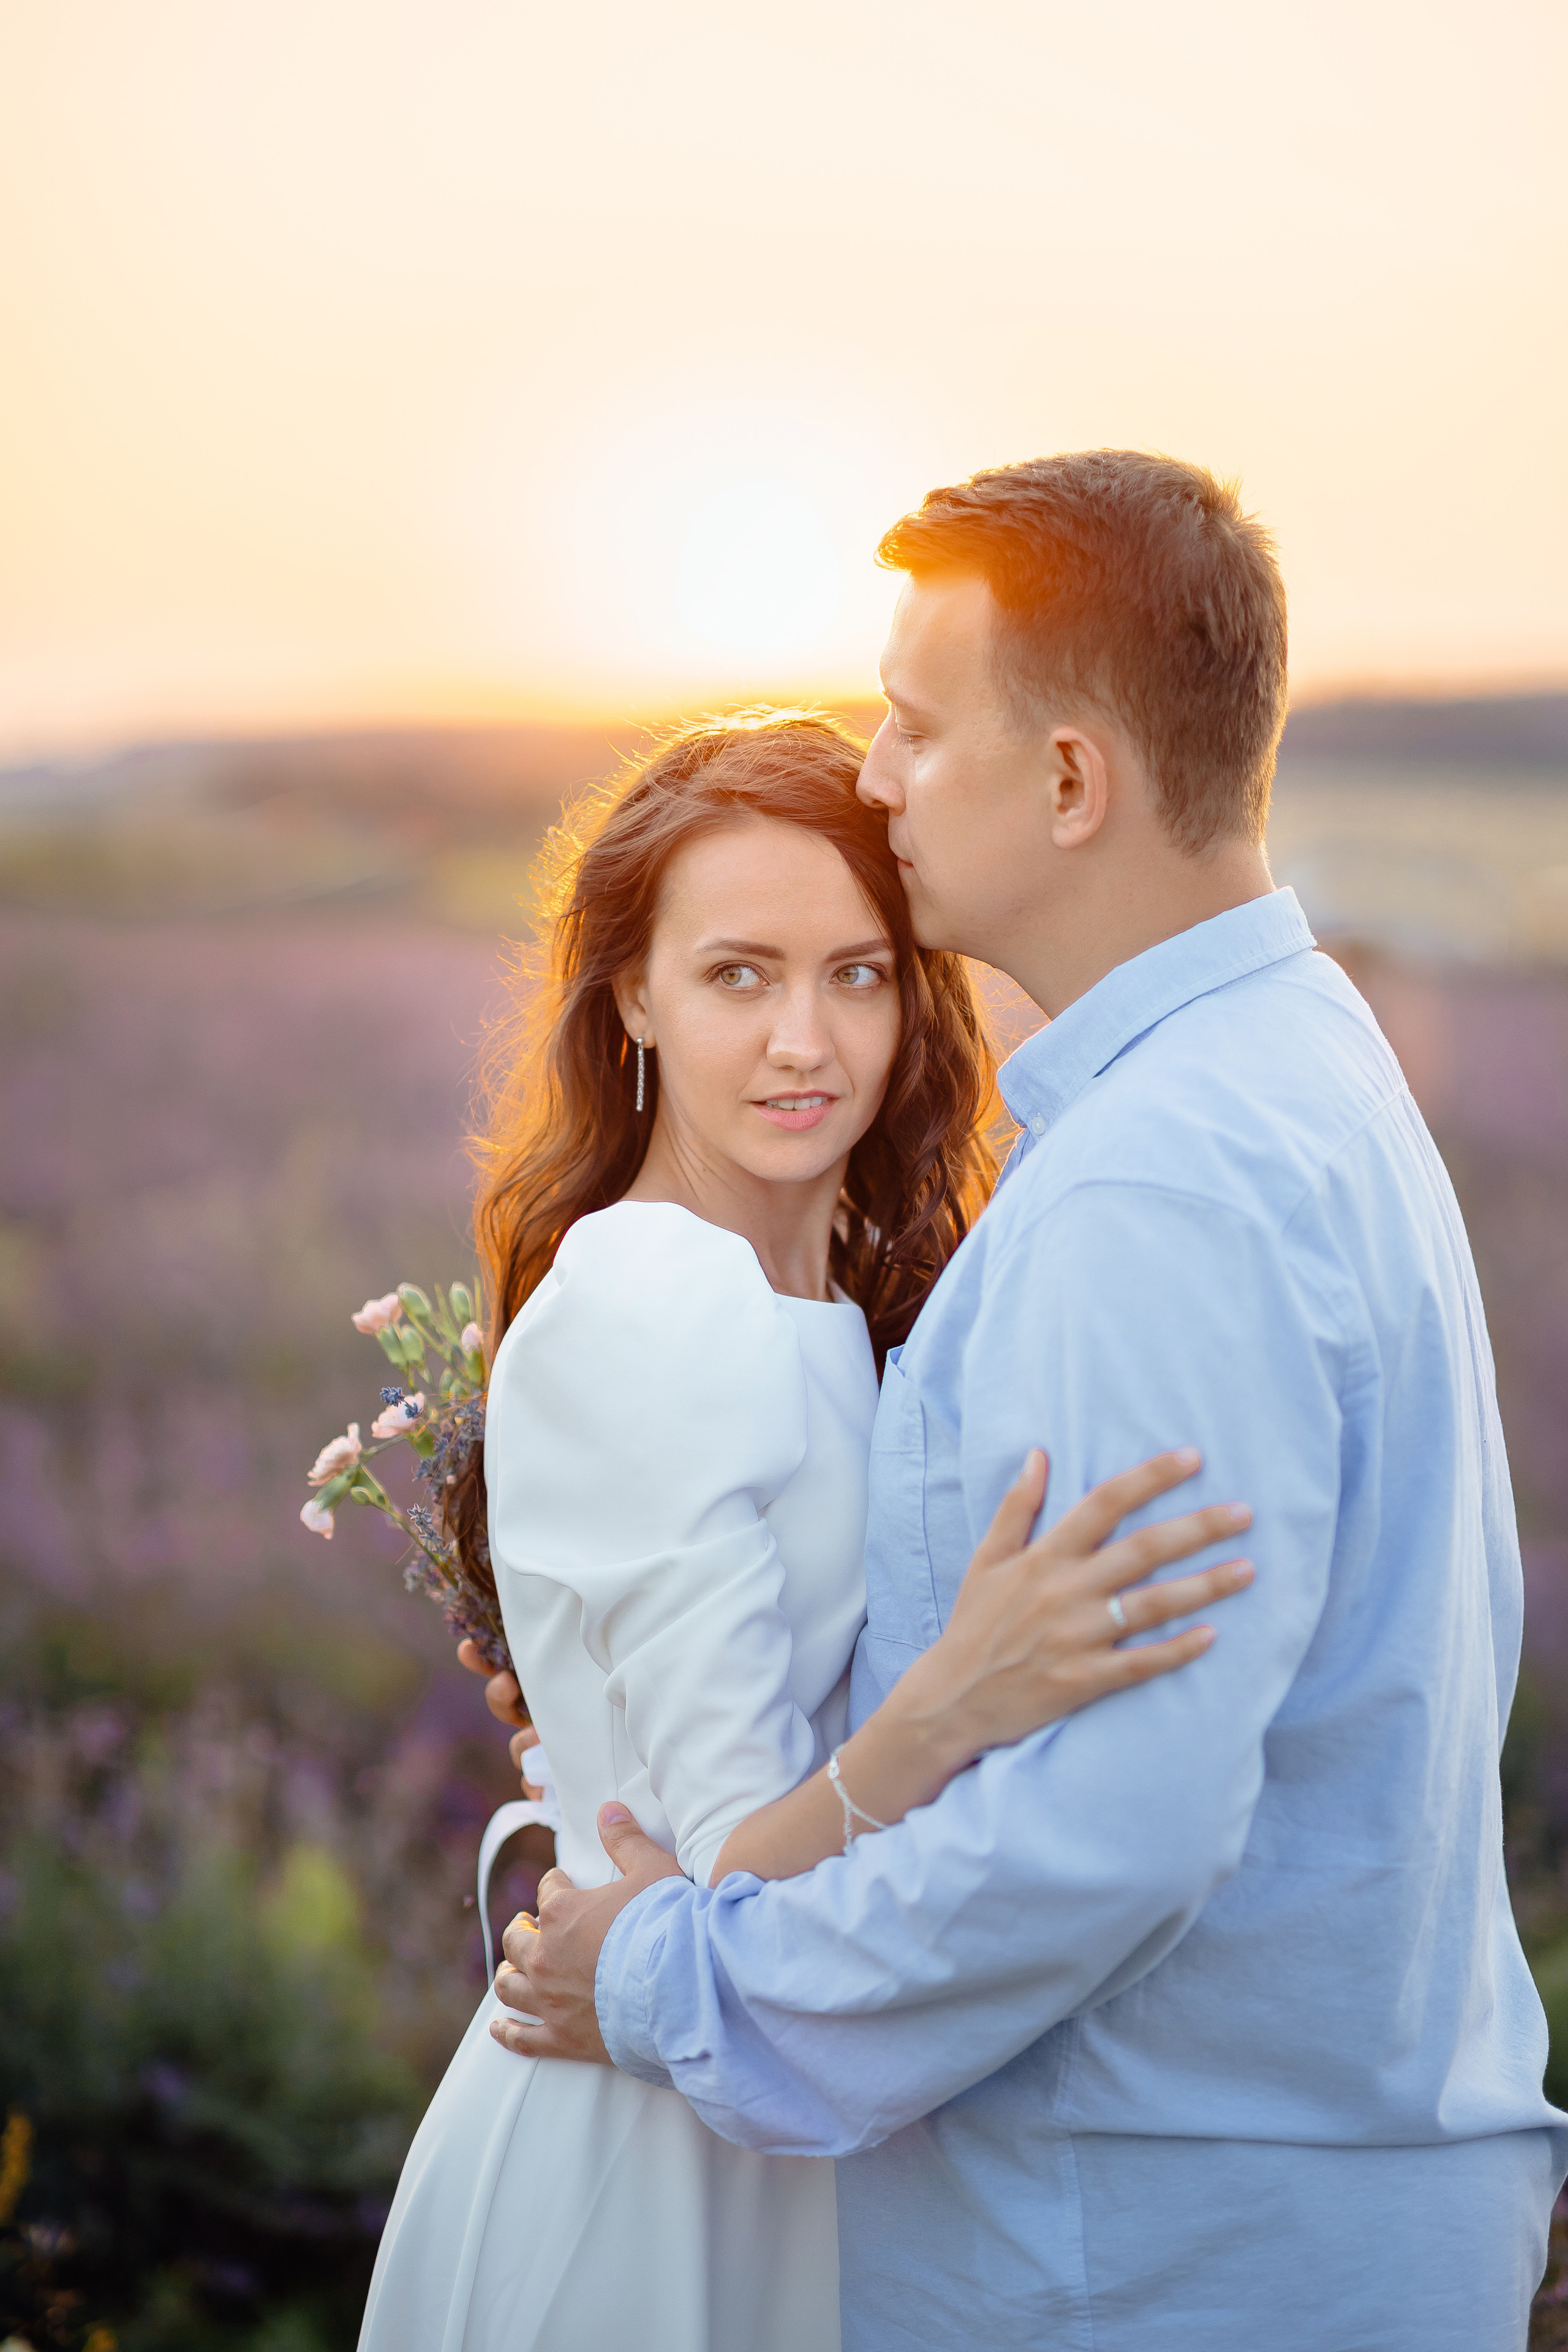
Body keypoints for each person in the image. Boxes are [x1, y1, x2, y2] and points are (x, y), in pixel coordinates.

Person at [491, 452, 1568, 2351]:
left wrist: (667, 1984)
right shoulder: (1300, 1066)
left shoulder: (1156, 1187)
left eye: (918, 723)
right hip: (1271, 2210)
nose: (880, 773)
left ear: (1072, 780)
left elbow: (1105, 1835)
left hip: (1150, 2256)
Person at [357, 712, 1249, 2352]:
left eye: (857, 974)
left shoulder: (843, 1307)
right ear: (631, 994)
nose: (806, 1043)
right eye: (738, 976)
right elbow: (719, 1886)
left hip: (796, 2126)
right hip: (649, 2167)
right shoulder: (646, 1304)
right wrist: (957, 1705)